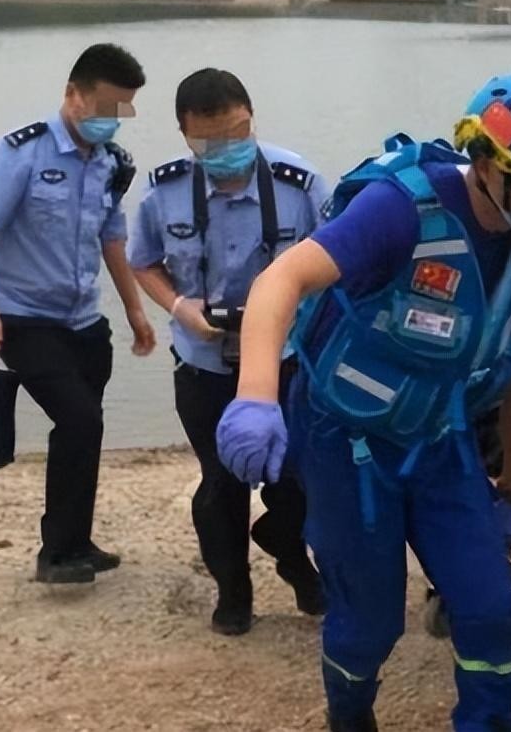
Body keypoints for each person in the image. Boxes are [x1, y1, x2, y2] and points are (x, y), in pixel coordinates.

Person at [216, 74, 511, 732]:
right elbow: (282, 279)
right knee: (368, 623)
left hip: (439, 438)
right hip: (348, 442)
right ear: (487, 163)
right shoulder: (401, 210)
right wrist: (255, 395)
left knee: (488, 606)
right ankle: (350, 716)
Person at [127, 68, 328, 635]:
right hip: (204, 364)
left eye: (238, 133)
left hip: (288, 362)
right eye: (210, 141)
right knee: (221, 484)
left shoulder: (301, 184)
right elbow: (143, 262)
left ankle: (291, 554)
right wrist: (179, 307)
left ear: (252, 118)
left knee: (297, 478)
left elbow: (339, 260)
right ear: (186, 136)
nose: (227, 149)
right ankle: (233, 591)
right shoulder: (164, 191)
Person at [0, 42, 157, 585]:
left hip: (84, 321)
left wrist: (135, 310)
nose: (112, 119)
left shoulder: (112, 163)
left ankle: (73, 543)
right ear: (73, 95)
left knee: (84, 429)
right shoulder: (20, 153)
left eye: (122, 110)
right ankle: (56, 555)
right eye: (106, 107)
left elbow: (112, 239)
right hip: (24, 318)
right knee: (79, 419)